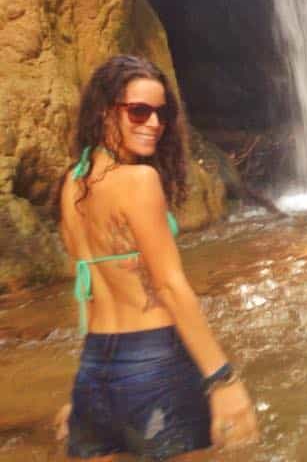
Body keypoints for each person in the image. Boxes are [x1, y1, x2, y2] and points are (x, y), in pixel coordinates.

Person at [56, 55, 258, 459]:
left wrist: (84, 399)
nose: (153, 124)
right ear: (104, 111)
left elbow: (91, 289)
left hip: (95, 369)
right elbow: (169, 284)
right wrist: (222, 380)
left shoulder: (71, 185)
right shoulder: (139, 181)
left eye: (161, 113)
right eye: (138, 111)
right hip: (155, 365)